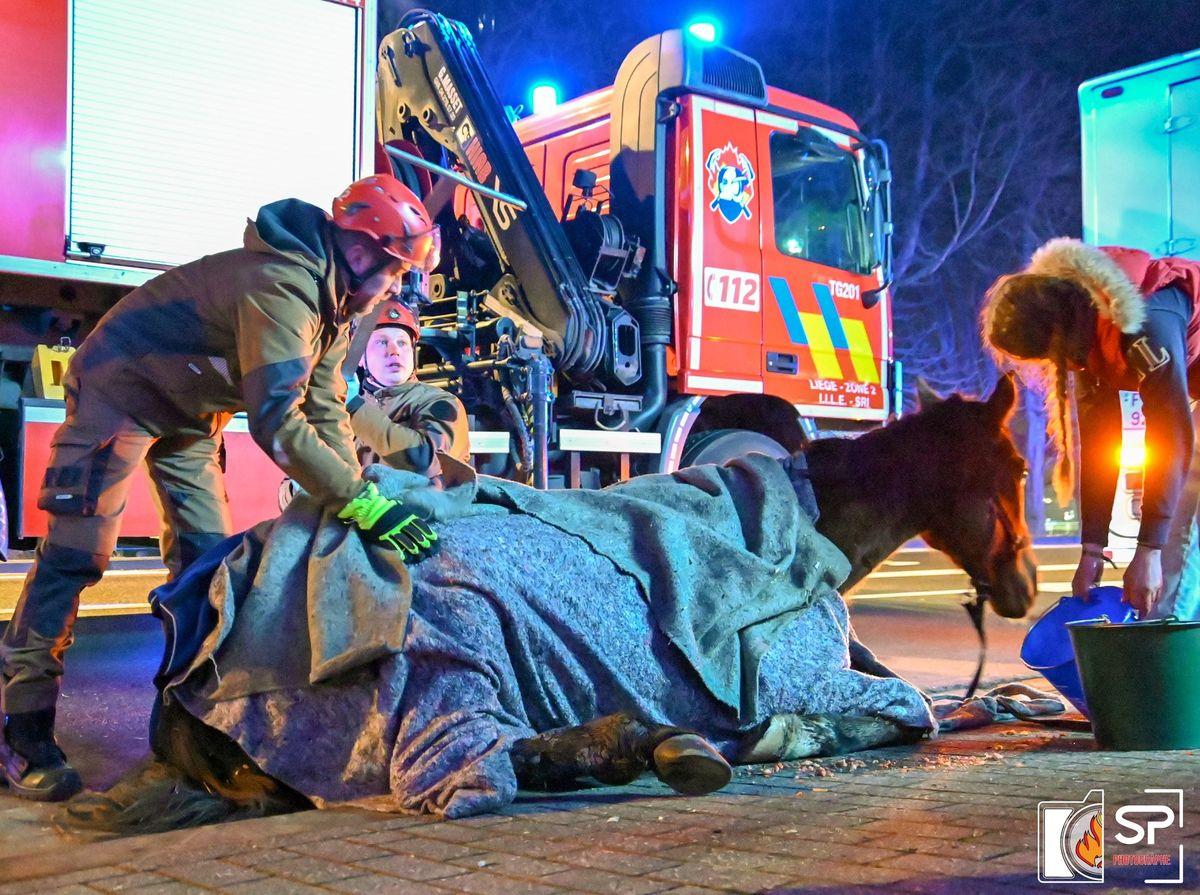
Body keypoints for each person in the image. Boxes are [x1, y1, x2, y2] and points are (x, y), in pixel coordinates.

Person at [0, 174, 443, 801]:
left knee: (207, 564)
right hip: (117, 392)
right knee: (77, 555)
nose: (397, 287)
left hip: (186, 412)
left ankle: (191, 728)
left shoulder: (336, 305)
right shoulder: (282, 285)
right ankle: (23, 727)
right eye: (395, 270)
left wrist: (363, 492)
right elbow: (279, 424)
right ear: (362, 251)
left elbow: (322, 412)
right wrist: (358, 502)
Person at [981, 237, 1200, 620]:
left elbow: (1172, 436)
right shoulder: (1085, 334)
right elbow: (1100, 446)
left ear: (1056, 330)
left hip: (1185, 401)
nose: (1054, 364)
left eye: (1046, 354)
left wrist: (1148, 551)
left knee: (1173, 544)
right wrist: (1092, 551)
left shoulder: (1146, 320)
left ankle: (1159, 662)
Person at [348, 300, 470, 477]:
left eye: (402, 343)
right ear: (359, 356)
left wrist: (355, 408)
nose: (394, 351)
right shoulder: (343, 412)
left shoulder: (440, 402)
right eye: (382, 342)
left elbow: (428, 463)